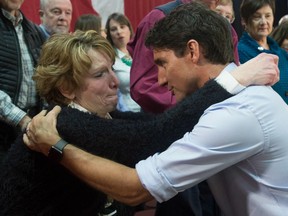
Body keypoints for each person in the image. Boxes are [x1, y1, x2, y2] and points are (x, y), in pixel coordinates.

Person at [24, 3, 286, 216]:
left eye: (162, 63)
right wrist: (233, 80)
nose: (158, 80)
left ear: (193, 51)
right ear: (68, 88)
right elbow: (153, 132)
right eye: (100, 74)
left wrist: (55, 147)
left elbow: (139, 176)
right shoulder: (63, 120)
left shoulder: (234, 112)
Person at [128, 0, 239, 214]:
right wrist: (197, 109)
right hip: (177, 136)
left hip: (217, 133)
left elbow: (230, 77)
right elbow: (144, 86)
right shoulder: (159, 18)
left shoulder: (224, 25)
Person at [0, 0, 46, 164]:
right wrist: (22, 119)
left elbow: (44, 76)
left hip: (32, 124)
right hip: (7, 129)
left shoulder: (33, 30)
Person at [238, 0, 288, 104]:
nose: (264, 22)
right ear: (244, 21)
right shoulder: (240, 52)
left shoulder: (280, 52)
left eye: (268, 16)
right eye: (257, 17)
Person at [106, 13, 141, 112]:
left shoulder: (141, 52)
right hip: (126, 112)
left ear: (129, 29)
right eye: (114, 29)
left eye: (122, 27)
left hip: (150, 109)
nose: (119, 31)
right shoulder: (110, 59)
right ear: (109, 35)